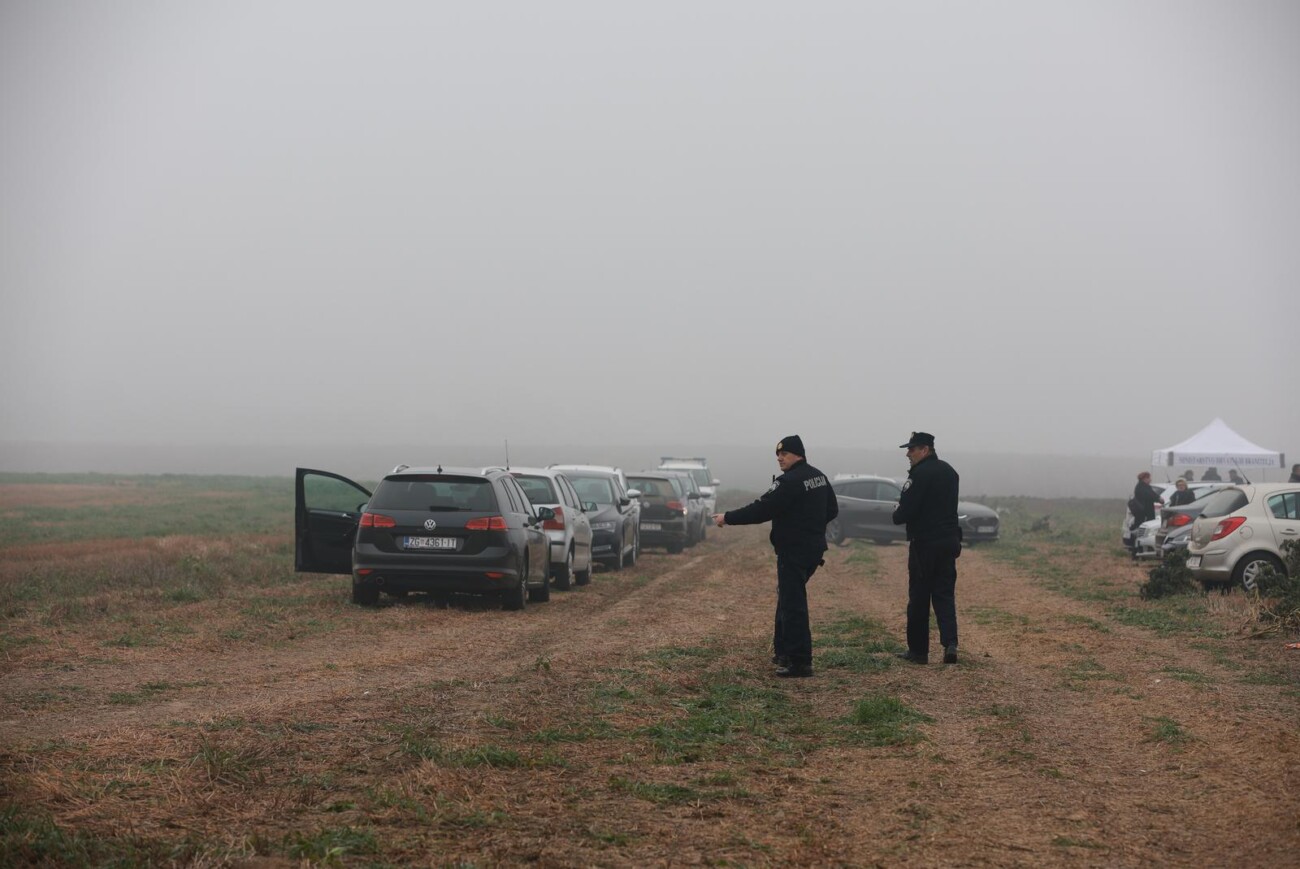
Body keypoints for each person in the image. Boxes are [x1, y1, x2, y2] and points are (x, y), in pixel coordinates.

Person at [711, 435, 837, 678]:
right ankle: (783, 651)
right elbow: (832, 509)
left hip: (794, 549)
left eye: (784, 454)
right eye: (778, 455)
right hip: (813, 548)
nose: (780, 458)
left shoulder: (789, 481)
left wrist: (727, 517)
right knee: (787, 597)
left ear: (798, 455)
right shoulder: (818, 477)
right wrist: (811, 527)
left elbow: (761, 510)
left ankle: (800, 662)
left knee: (793, 604)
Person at [891, 432, 961, 665]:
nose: (908, 454)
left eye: (911, 449)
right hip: (949, 541)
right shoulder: (950, 472)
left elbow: (905, 512)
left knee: (919, 597)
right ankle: (950, 644)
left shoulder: (919, 474)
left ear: (925, 450)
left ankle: (918, 651)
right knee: (944, 594)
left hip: (925, 544)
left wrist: (897, 513)